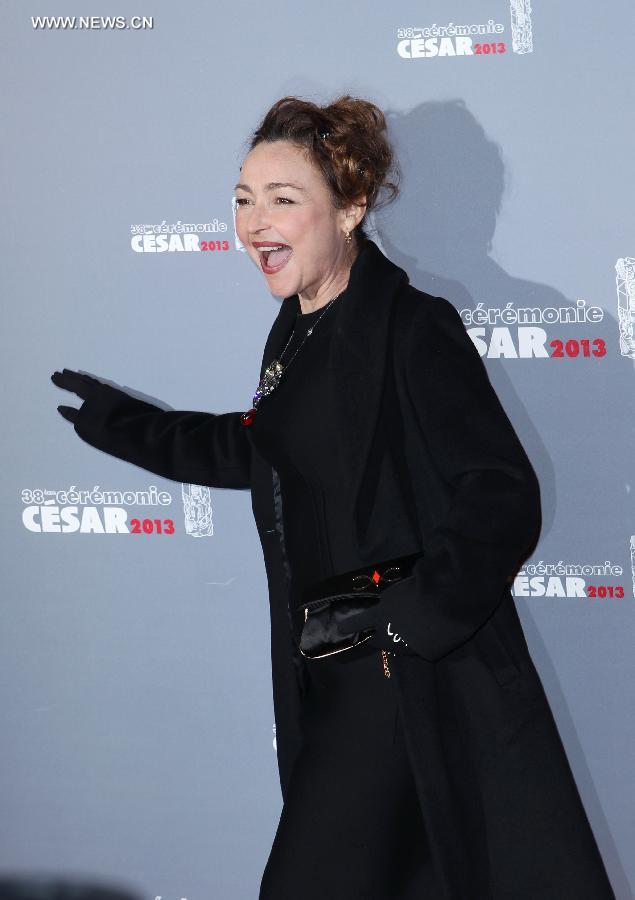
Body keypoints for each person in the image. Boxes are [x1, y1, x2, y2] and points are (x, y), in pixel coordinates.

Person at [51, 95, 616, 899]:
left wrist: (414, 622)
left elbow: (499, 490)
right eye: (243, 199)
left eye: (284, 199)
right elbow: (262, 449)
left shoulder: (409, 327)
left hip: (397, 677)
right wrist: (130, 426)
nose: (254, 222)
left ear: (349, 208)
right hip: (331, 673)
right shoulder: (298, 329)